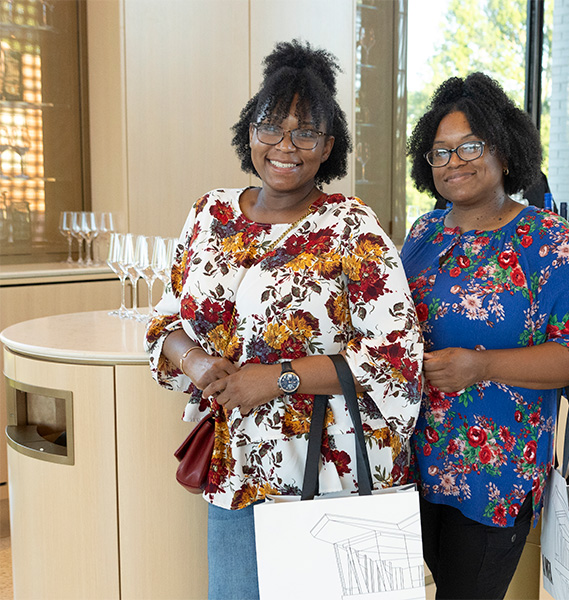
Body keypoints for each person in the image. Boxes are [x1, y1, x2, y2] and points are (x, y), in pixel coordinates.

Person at [145, 40, 423, 600]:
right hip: (236, 470)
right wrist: (196, 362)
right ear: (249, 132)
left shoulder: (352, 228)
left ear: (328, 148)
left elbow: (398, 358)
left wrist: (274, 379)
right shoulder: (208, 213)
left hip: (327, 478)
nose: (285, 145)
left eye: (307, 132)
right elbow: (164, 319)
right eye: (271, 125)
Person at [401, 72, 569, 599]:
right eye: (441, 151)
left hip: (496, 476)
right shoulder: (423, 234)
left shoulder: (550, 242)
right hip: (417, 462)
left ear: (506, 152)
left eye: (471, 145)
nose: (455, 161)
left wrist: (483, 366)